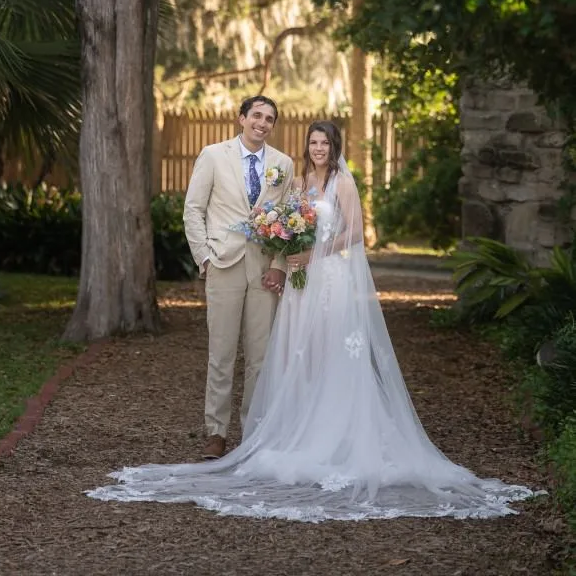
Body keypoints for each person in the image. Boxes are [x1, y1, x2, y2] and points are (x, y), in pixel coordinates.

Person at [87, 121, 542, 521]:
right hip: (300, 279)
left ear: (335, 146)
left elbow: (354, 232)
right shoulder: (299, 180)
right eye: (313, 142)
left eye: (324, 143)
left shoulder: (343, 182)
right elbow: (284, 225)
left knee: (330, 352)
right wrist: (289, 255)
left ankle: (338, 434)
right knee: (295, 354)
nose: (319, 149)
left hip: (332, 277)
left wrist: (314, 252)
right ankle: (286, 429)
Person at [181, 95, 293, 460]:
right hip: (224, 264)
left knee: (260, 356)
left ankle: (254, 431)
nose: (262, 123)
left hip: (264, 270)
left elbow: (291, 220)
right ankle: (216, 432)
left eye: (269, 119)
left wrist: (279, 263)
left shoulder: (283, 165)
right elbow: (193, 210)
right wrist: (205, 258)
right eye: (256, 116)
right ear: (241, 118)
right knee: (222, 353)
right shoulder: (213, 155)